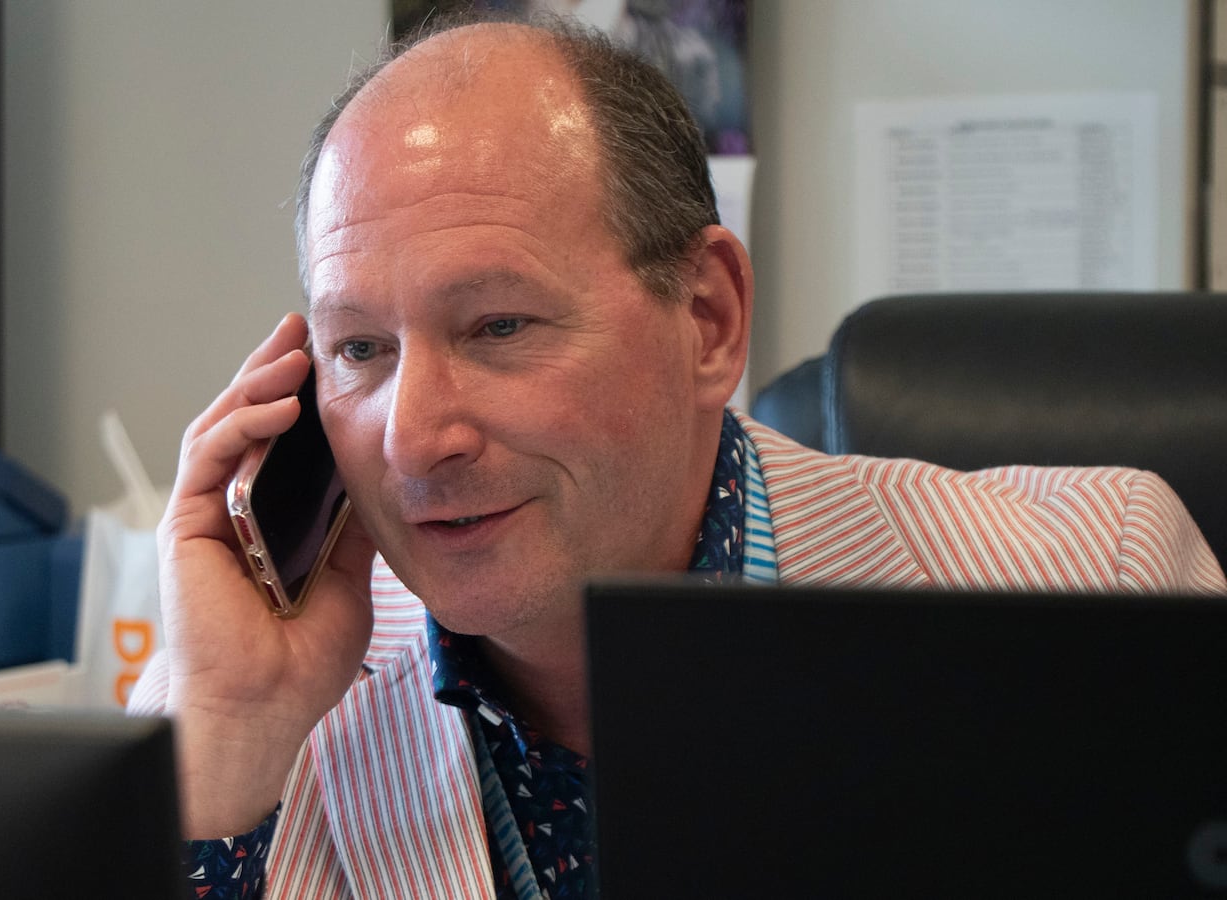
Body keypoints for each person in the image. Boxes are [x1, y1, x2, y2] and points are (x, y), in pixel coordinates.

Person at [129, 13, 1226, 899]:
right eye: (359, 349)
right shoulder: (257, 700)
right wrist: (221, 752)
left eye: (498, 325)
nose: (415, 438)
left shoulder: (1091, 574)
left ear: (705, 317)